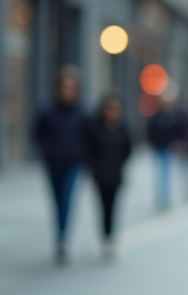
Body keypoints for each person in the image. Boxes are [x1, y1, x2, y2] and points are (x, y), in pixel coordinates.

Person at [33, 66, 90, 264]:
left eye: (71, 87)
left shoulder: (82, 112)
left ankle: (63, 238)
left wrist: (85, 158)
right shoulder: (48, 110)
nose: (67, 91)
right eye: (64, 86)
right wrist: (47, 152)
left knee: (67, 198)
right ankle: (59, 234)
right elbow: (38, 134)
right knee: (57, 200)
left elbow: (88, 138)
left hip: (74, 163)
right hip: (53, 162)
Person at [87, 94, 132, 259]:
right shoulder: (96, 129)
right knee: (102, 207)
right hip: (100, 176)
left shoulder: (122, 129)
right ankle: (105, 236)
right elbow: (90, 150)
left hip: (116, 175)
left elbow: (128, 150)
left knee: (113, 207)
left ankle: (111, 236)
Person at [146, 93, 182, 209]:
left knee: (167, 172)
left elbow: (177, 131)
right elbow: (150, 131)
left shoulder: (174, 116)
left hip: (169, 148)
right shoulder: (156, 116)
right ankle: (160, 195)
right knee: (160, 172)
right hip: (158, 147)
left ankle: (165, 195)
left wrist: (176, 143)